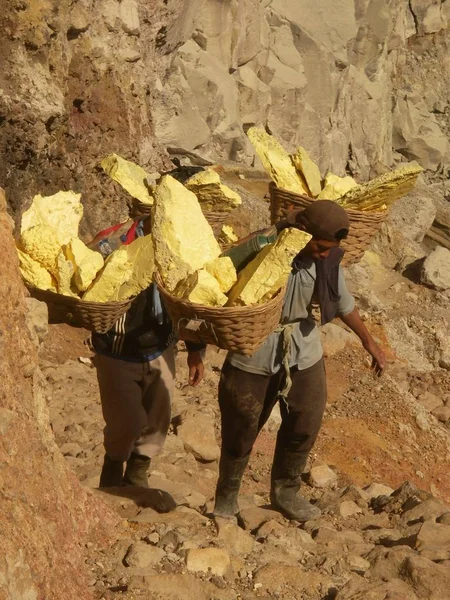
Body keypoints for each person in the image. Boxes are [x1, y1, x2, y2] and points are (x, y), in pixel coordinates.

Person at [213, 200, 386, 522]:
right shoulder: (261, 246)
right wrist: (196, 348)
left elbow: (343, 302)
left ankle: (286, 493)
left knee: (304, 424)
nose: (323, 254)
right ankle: (227, 496)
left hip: (303, 352)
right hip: (253, 352)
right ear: (302, 231)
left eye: (328, 250)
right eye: (319, 247)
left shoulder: (327, 260)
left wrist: (369, 342)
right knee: (241, 428)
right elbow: (215, 278)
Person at [87, 215, 205, 488]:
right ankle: (113, 469)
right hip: (118, 348)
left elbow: (192, 299)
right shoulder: (118, 239)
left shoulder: (184, 243)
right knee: (125, 423)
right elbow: (83, 264)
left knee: (158, 418)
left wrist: (196, 349)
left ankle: (138, 472)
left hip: (161, 347)